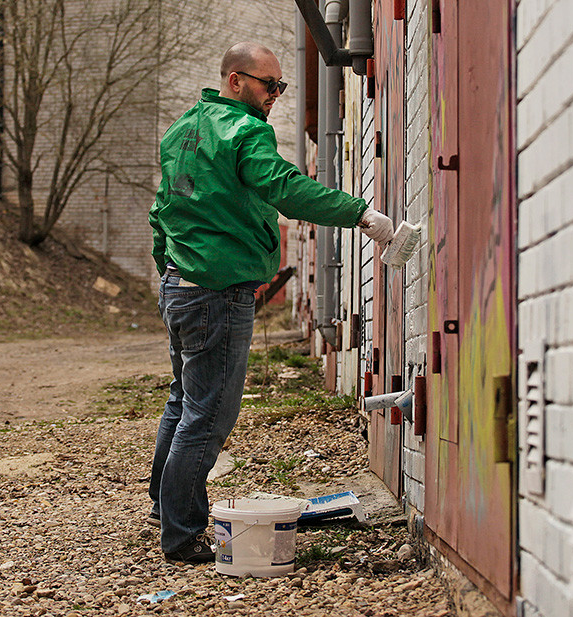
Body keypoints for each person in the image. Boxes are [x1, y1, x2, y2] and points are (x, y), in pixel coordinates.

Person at [146, 42, 394, 564]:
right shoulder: (244, 131)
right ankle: (182, 533)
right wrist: (359, 214)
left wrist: (169, 268)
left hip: (181, 285)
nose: (276, 94)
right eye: (268, 84)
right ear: (235, 80)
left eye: (280, 85)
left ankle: (164, 506)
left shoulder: (183, 129)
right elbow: (283, 187)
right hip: (216, 291)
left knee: (184, 400)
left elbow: (162, 209)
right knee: (208, 414)